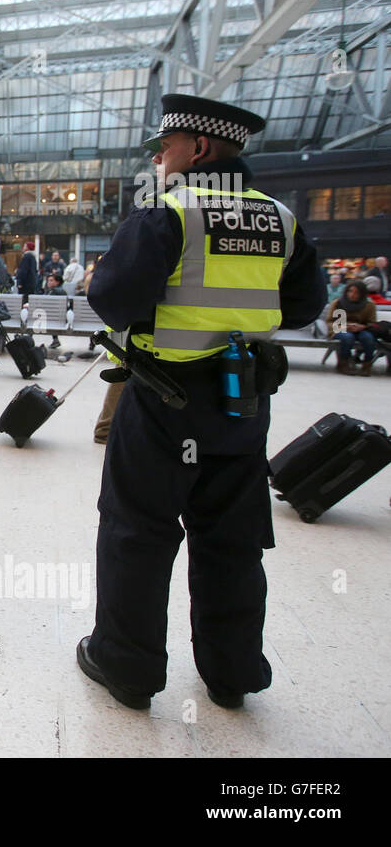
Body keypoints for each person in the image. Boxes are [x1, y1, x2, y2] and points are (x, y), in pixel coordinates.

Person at [78, 93, 325, 711]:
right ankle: (232, 671)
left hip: (165, 395)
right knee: (233, 538)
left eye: (165, 149)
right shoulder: (280, 219)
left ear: (200, 149)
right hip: (244, 399)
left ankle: (127, 667)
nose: (159, 160)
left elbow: (116, 301)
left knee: (138, 530)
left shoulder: (168, 213)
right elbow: (303, 305)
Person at [328, 280, 379, 375]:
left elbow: (372, 323)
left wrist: (362, 326)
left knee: (368, 338)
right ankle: (343, 363)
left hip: (362, 330)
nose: (352, 295)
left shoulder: (369, 305)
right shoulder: (338, 303)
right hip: (341, 328)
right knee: (347, 337)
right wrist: (346, 326)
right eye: (350, 291)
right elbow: (330, 321)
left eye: (356, 292)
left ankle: (367, 364)